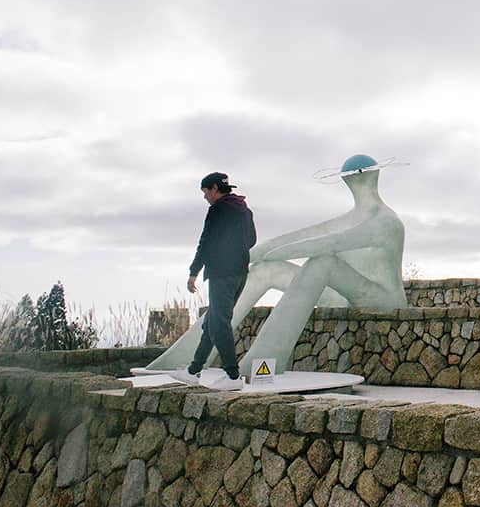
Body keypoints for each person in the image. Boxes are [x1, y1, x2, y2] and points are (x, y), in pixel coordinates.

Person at [151, 154, 408, 377]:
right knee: (266, 270)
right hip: (346, 296)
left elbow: (329, 243)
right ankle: (185, 360)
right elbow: (306, 235)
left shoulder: (387, 222)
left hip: (382, 298)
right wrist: (255, 255)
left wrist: (271, 252)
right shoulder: (351, 218)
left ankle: (256, 364)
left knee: (323, 262)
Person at [184, 172, 256, 387]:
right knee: (212, 322)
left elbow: (205, 242)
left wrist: (193, 271)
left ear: (215, 188)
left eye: (205, 191)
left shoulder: (217, 210)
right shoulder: (245, 211)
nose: (205, 196)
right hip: (240, 273)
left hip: (221, 273)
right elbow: (251, 240)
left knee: (219, 323)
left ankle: (233, 376)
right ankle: (193, 370)